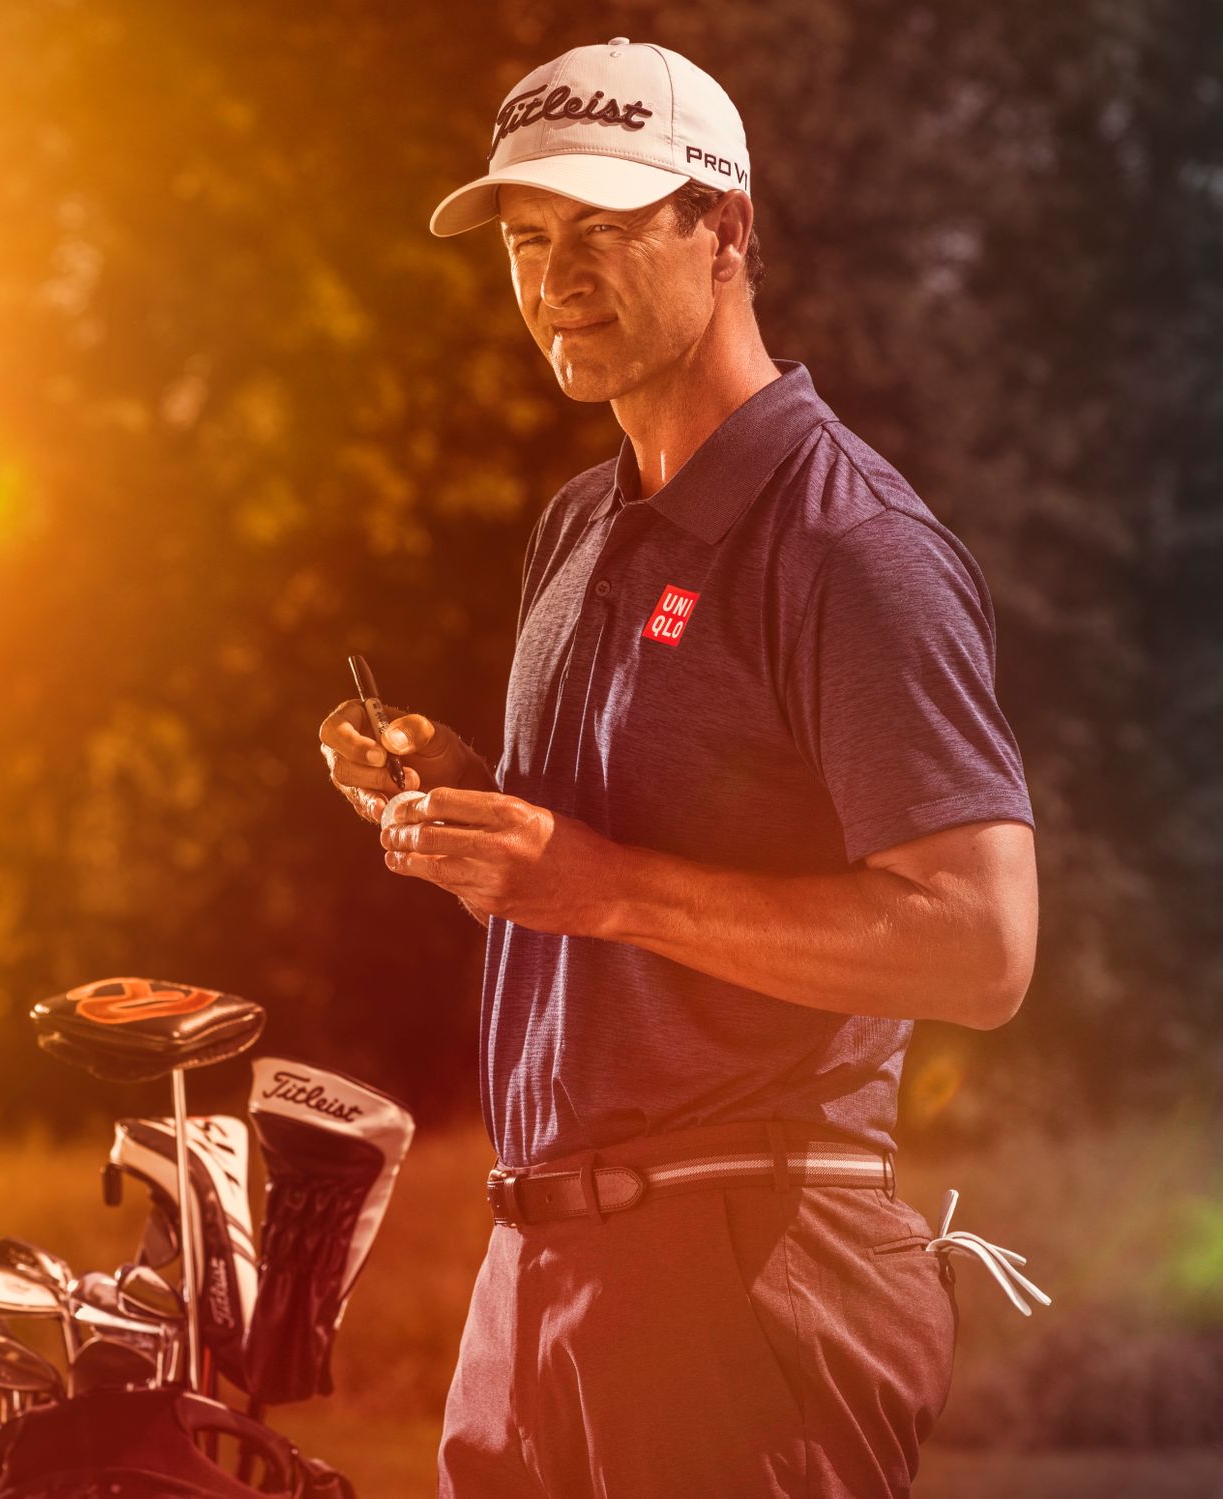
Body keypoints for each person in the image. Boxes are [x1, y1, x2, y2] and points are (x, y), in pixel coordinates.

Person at [315, 35, 1040, 1499]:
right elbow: (596, 877)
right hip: (532, 1275)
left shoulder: (849, 546)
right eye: (527, 240)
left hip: (748, 1273)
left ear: (726, 229)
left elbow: (983, 947)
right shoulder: (580, 528)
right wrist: (476, 809)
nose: (555, 279)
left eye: (603, 228)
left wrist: (598, 883)